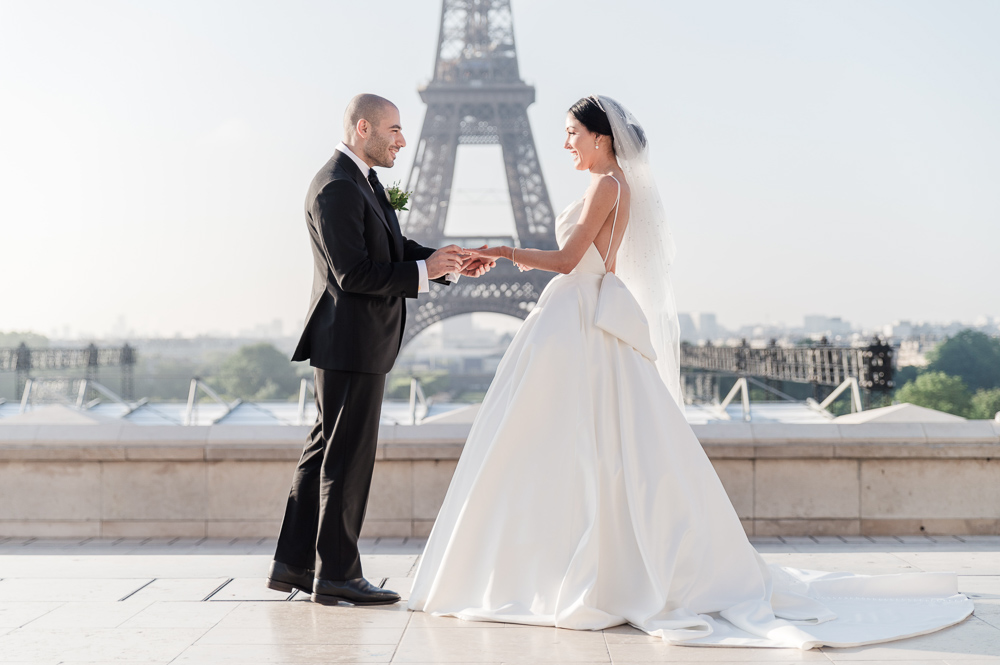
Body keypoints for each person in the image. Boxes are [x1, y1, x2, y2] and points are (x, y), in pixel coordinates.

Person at [407, 95, 974, 648]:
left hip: (576, 315)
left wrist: (503, 252)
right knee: (586, 446)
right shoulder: (602, 184)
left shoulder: (607, 185)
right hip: (574, 317)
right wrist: (501, 255)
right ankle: (578, 564)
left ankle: (562, 567)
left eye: (573, 133)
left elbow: (566, 259)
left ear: (601, 137)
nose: (566, 142)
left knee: (567, 443)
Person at [267, 93, 494, 606]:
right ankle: (338, 575)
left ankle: (297, 566)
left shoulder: (358, 182)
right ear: (362, 128)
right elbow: (354, 274)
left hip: (353, 340)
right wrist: (425, 272)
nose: (403, 140)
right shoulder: (336, 187)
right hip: (352, 342)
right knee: (347, 461)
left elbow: (387, 249)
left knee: (326, 451)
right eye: (393, 130)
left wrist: (445, 261)